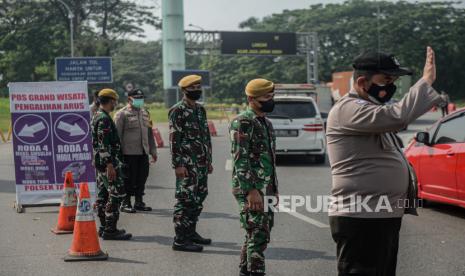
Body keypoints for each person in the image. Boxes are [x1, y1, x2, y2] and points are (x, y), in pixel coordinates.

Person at [326, 47, 445, 276]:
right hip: (361, 216)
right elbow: (398, 116)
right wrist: (426, 81)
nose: (391, 86)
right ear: (363, 82)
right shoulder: (348, 109)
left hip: (379, 214)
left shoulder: (370, 109)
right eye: (387, 79)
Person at [229, 78, 279, 276]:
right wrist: (250, 191)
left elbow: (270, 161)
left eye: (272, 96)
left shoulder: (266, 123)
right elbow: (240, 159)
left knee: (257, 233)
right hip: (250, 188)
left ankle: (244, 270)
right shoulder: (242, 122)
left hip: (265, 187)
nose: (271, 100)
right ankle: (256, 272)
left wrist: (273, 189)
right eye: (266, 97)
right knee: (258, 234)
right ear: (251, 99)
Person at [169, 75, 213, 252]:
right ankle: (180, 239)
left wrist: (208, 161)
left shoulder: (200, 110)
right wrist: (177, 164)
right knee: (185, 200)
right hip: (186, 165)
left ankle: (191, 233)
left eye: (198, 86)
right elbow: (174, 140)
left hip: (201, 164)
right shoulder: (177, 110)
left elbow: (205, 138)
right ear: (184, 90)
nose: (197, 90)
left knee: (199, 198)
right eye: (193, 87)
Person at [91, 88, 132, 240]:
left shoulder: (97, 115)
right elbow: (103, 144)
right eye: (114, 101)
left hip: (101, 163)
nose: (115, 103)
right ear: (111, 101)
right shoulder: (104, 119)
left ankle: (103, 227)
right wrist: (110, 165)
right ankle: (110, 229)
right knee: (115, 195)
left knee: (103, 195)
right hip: (108, 164)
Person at [114, 88, 157, 213]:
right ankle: (125, 203)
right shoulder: (121, 114)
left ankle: (139, 202)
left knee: (142, 177)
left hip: (143, 152)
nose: (140, 101)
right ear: (129, 99)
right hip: (128, 153)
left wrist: (153, 150)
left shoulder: (145, 113)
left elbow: (150, 133)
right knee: (128, 179)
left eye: (141, 98)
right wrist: (118, 155)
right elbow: (117, 136)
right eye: (137, 98)